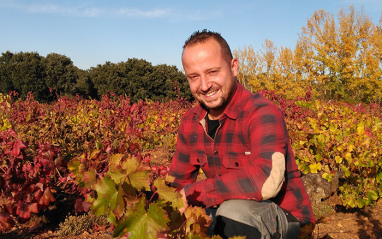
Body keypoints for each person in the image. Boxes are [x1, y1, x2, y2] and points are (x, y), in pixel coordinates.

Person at [168, 29, 316, 239]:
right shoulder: (190, 121)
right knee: (193, 221)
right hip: (228, 212)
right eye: (194, 77)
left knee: (231, 215)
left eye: (212, 72)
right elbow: (177, 183)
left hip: (287, 219)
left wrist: (194, 193)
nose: (204, 85)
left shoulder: (262, 113)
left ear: (234, 67)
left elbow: (267, 180)